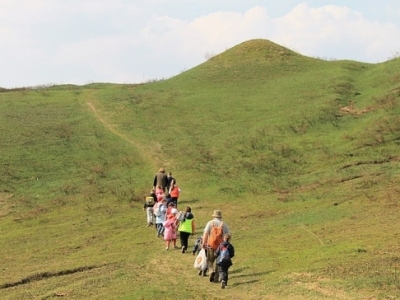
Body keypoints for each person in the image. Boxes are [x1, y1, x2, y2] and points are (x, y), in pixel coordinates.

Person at [202, 210, 230, 283]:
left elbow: (205, 233)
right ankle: (216, 278)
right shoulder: (224, 225)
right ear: (220, 217)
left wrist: (203, 243)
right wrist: (227, 245)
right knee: (218, 262)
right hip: (220, 247)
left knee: (209, 261)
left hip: (211, 245)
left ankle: (211, 271)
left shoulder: (210, 223)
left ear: (214, 216)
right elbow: (228, 235)